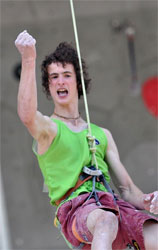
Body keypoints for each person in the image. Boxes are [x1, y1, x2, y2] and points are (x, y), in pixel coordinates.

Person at [15, 30, 158, 250]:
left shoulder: (102, 134)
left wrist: (149, 201)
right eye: (54, 77)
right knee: (106, 220)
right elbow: (27, 115)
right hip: (77, 211)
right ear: (48, 85)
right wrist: (28, 59)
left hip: (112, 206)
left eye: (66, 75)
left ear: (78, 82)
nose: (60, 81)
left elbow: (128, 190)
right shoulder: (50, 129)